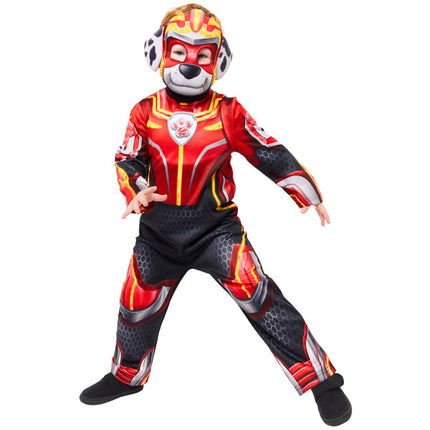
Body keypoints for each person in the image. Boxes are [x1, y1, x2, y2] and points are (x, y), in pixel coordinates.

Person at [80, 4, 352, 426]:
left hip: (217, 232)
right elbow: (127, 157)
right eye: (180, 51)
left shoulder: (228, 111)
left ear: (219, 59)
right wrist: (135, 189)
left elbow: (266, 150)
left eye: (202, 54)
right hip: (158, 234)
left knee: (259, 295)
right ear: (159, 51)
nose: (190, 64)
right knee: (135, 304)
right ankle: (127, 376)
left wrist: (304, 189)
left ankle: (321, 381)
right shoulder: (144, 111)